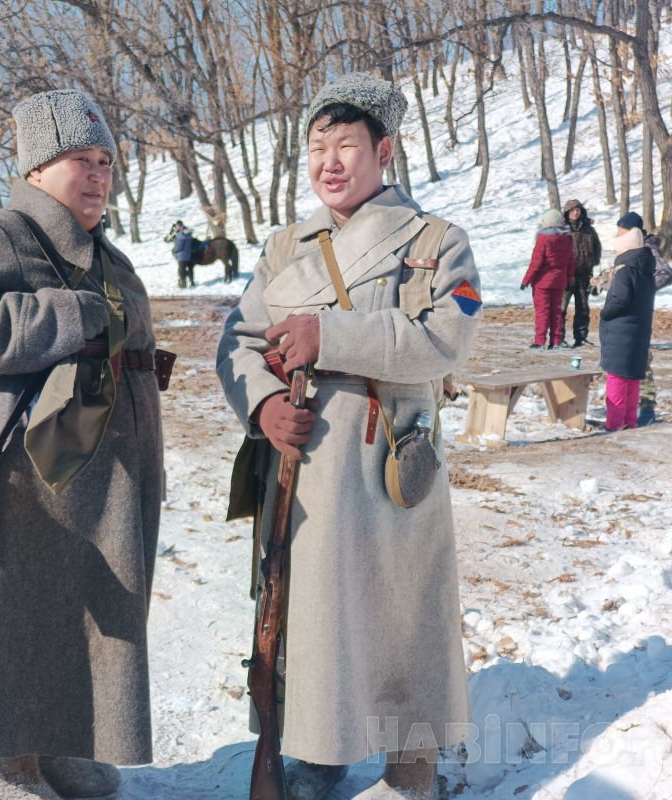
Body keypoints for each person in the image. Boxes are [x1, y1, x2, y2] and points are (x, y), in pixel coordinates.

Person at [217, 73, 480, 800]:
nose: (328, 163)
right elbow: (235, 340)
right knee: (309, 618)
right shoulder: (283, 248)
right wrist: (264, 404)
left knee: (402, 616)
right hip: (300, 468)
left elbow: (445, 340)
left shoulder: (434, 242)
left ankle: (409, 766)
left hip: (386, 465)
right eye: (315, 148)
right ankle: (318, 750)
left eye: (345, 147)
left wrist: (325, 334)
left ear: (383, 151)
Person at [0, 88, 164, 800]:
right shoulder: (0, 232)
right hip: (27, 474)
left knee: (77, 615)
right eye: (80, 159)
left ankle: (54, 748)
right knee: (14, 621)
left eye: (106, 160)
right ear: (37, 167)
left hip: (101, 470)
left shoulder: (102, 250)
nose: (98, 174)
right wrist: (69, 316)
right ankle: (9, 769)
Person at [592, 211, 672, 425]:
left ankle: (622, 420)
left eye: (621, 231)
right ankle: (629, 420)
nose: (617, 236)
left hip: (625, 326)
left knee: (621, 375)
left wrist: (607, 311)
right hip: (637, 323)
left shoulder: (640, 256)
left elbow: (622, 296)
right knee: (632, 374)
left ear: (630, 234)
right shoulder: (638, 264)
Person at [600, 220, 656, 431]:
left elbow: (620, 300)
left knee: (616, 379)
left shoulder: (625, 271)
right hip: (639, 331)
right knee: (632, 379)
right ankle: (629, 422)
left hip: (621, 333)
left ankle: (613, 425)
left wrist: (605, 313)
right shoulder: (646, 272)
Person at [521, 208, 574, 349]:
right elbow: (570, 261)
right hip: (560, 281)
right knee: (556, 311)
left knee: (542, 311)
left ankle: (539, 341)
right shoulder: (567, 238)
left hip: (542, 282)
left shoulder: (544, 238)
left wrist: (526, 280)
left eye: (544, 221)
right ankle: (556, 341)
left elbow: (536, 262)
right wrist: (569, 279)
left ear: (549, 223)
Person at [560, 199, 602, 347]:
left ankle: (581, 337)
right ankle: (558, 338)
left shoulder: (588, 229)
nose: (576, 212)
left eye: (578, 210)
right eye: (573, 210)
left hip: (584, 274)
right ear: (567, 212)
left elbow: (597, 247)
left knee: (583, 307)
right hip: (566, 276)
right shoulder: (561, 229)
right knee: (561, 308)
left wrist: (593, 261)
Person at [171, 220, 194, 288]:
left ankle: (183, 284)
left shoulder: (180, 236)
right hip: (187, 255)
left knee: (181, 271)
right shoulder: (187, 233)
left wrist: (173, 251)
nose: (177, 228)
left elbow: (179, 246)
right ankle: (191, 280)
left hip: (181, 256)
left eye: (177, 227)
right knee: (186, 269)